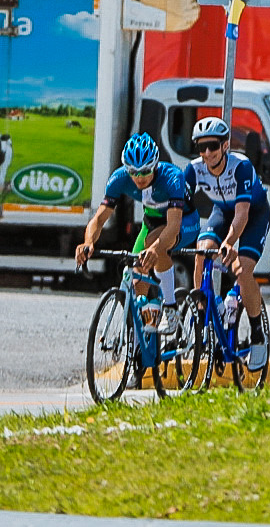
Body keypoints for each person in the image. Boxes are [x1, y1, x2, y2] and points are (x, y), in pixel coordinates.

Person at [75, 134, 192, 367]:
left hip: (184, 223)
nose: (139, 178)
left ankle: (170, 307)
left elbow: (173, 226)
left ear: (155, 166)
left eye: (145, 172)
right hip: (152, 225)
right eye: (133, 172)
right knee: (138, 281)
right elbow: (99, 219)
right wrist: (88, 242)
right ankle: (139, 351)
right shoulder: (120, 178)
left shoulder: (172, 178)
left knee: (153, 246)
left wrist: (156, 248)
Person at [185, 115, 270, 370]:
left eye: (213, 145)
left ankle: (257, 333)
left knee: (242, 270)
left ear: (225, 145)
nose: (207, 152)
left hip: (253, 213)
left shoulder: (241, 166)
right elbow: (179, 208)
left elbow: (243, 213)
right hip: (222, 212)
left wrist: (229, 242)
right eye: (202, 147)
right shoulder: (193, 169)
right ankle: (204, 308)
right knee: (201, 252)